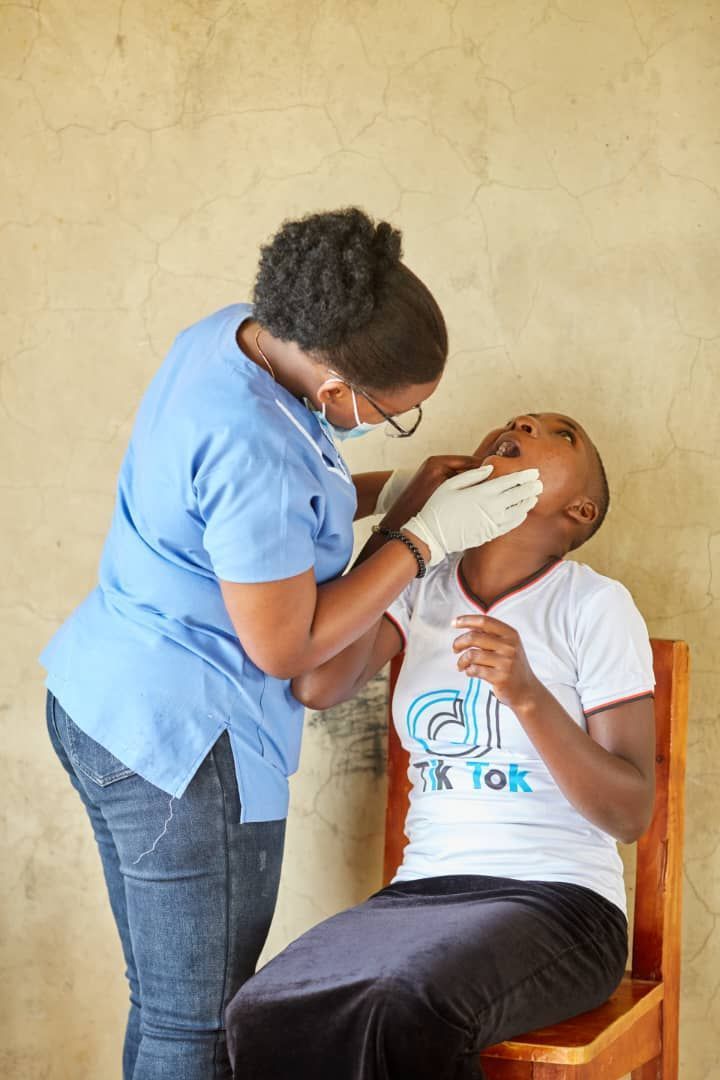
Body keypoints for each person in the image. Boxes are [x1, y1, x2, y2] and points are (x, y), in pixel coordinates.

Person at [39, 207, 542, 1080]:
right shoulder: (255, 442)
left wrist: (399, 492)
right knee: (198, 1027)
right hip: (183, 747)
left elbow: (271, 517)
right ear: (338, 383)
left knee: (166, 1007)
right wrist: (421, 541)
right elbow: (288, 648)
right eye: (394, 415)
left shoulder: (237, 335)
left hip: (100, 698)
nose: (389, 425)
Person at [225, 411, 657, 1080]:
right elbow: (318, 683)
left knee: (407, 1006)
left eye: (562, 433)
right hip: (422, 896)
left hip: (560, 904)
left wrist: (527, 695)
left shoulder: (593, 605)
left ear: (580, 510)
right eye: (517, 421)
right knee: (261, 1009)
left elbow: (628, 813)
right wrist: (410, 527)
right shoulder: (422, 584)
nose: (523, 421)